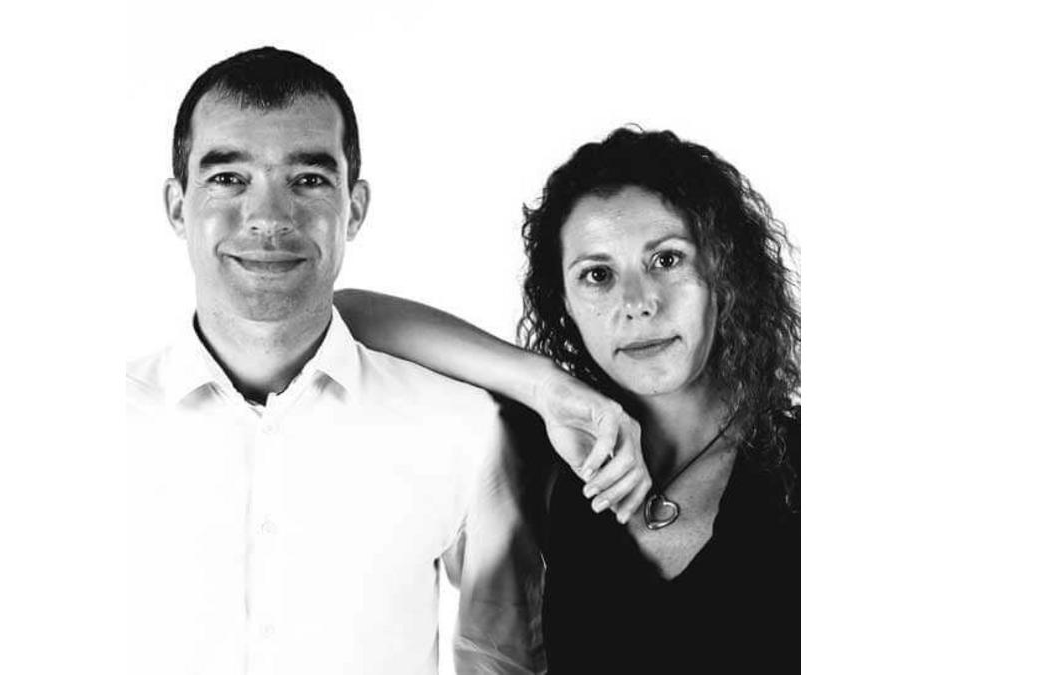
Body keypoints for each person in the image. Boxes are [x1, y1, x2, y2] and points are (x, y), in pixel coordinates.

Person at [125, 47, 649, 675]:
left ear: (355, 207)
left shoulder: (464, 430)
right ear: (177, 206)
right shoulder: (87, 431)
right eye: (228, 178)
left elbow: (502, 660)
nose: (267, 217)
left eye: (308, 179)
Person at [337, 127, 801, 672]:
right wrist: (549, 389)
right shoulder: (552, 450)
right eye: (597, 275)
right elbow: (346, 316)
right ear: (565, 304)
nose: (638, 303)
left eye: (667, 260)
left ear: (724, 272)